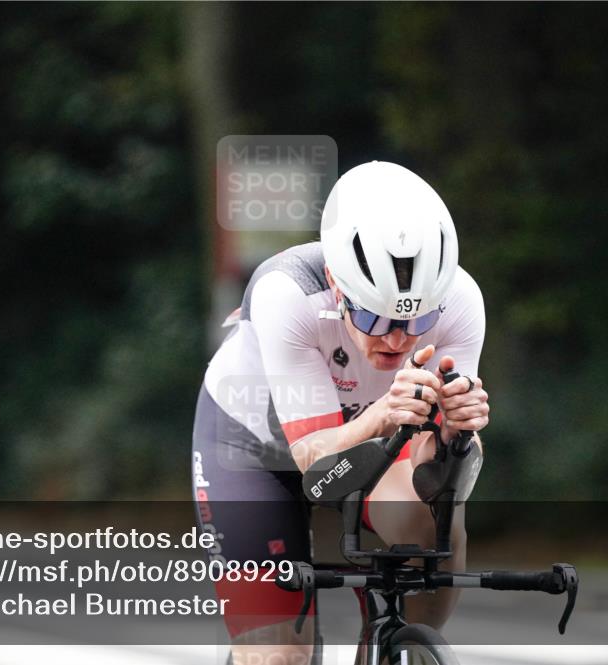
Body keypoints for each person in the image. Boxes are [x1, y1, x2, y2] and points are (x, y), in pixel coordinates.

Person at [191, 161, 489, 664]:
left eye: (418, 319)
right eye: (374, 315)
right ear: (335, 282)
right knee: (279, 654)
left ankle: (388, 646)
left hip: (367, 447)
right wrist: (382, 414)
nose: (399, 338)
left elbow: (434, 472)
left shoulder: (461, 302)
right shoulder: (287, 293)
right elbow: (315, 462)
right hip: (253, 451)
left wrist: (459, 434)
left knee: (435, 522)